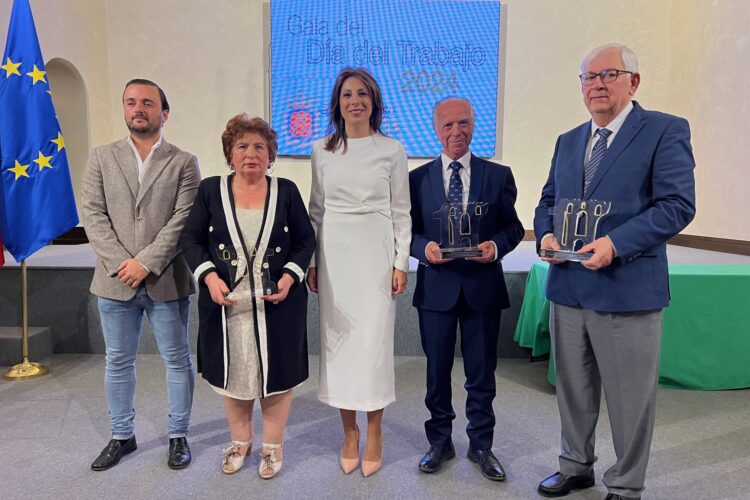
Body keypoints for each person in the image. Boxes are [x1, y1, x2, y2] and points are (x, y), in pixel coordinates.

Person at [534, 44, 696, 500]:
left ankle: (625, 486)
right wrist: (545, 234)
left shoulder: (664, 130)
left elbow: (678, 206)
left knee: (629, 401)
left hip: (627, 290)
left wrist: (615, 243)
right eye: (588, 77)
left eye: (609, 74)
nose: (597, 84)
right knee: (573, 391)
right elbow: (548, 201)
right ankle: (575, 466)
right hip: (568, 288)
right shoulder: (569, 140)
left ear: (634, 82)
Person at [179, 114, 315, 479]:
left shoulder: (286, 190)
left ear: (271, 154)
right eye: (242, 146)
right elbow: (189, 240)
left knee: (278, 374)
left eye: (259, 147)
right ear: (230, 153)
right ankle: (241, 441)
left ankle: (272, 446)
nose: (251, 154)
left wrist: (290, 277)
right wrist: (208, 277)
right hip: (227, 304)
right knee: (233, 373)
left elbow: (305, 241)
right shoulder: (210, 190)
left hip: (278, 303)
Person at [82, 79, 200, 471]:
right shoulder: (101, 157)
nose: (138, 108)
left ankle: (178, 435)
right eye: (131, 102)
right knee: (117, 361)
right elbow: (93, 216)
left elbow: (183, 220)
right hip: (114, 282)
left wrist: (145, 262)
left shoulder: (184, 161)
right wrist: (123, 264)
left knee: (177, 360)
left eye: (147, 103)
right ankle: (121, 436)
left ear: (163, 113)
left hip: (166, 279)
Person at [409, 97, 524, 482]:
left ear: (475, 125)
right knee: (437, 372)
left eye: (463, 123)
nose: (456, 132)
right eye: (447, 126)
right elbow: (408, 231)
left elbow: (512, 228)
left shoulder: (498, 175)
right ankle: (440, 441)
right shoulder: (417, 179)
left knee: (481, 372)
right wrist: (422, 250)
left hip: (482, 288)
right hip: (437, 289)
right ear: (435, 129)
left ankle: (481, 444)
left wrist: (496, 248)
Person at [306, 67, 411, 477]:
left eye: (363, 93)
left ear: (374, 101)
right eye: (347, 94)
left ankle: (376, 431)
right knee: (340, 347)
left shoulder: (392, 149)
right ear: (337, 103)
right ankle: (349, 434)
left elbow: (402, 212)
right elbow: (316, 210)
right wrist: (313, 261)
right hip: (335, 253)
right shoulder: (321, 150)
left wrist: (400, 262)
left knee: (372, 347)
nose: (355, 101)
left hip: (375, 252)